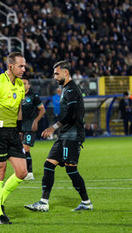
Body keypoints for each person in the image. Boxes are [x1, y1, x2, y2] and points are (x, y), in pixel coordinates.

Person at [24, 60, 93, 212]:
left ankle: (86, 202)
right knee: (49, 165)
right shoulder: (66, 89)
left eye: (57, 73)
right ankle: (43, 202)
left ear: (66, 72)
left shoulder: (71, 90)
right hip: (64, 135)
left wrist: (54, 127)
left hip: (72, 135)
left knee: (71, 169)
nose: (54, 76)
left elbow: (72, 114)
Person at [0, 52, 27, 224]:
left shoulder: (20, 85)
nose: (23, 69)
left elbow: (18, 110)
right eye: (20, 66)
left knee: (22, 172)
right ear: (11, 66)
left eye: (24, 66)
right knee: (0, 170)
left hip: (13, 133)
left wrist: (20, 130)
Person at [21, 77, 46, 181]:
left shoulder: (33, 96)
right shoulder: (16, 95)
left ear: (29, 85)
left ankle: (29, 173)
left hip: (30, 126)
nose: (23, 85)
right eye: (21, 84)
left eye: (25, 83)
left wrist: (36, 121)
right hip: (19, 126)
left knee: (26, 148)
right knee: (20, 150)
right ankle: (22, 172)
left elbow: (42, 110)